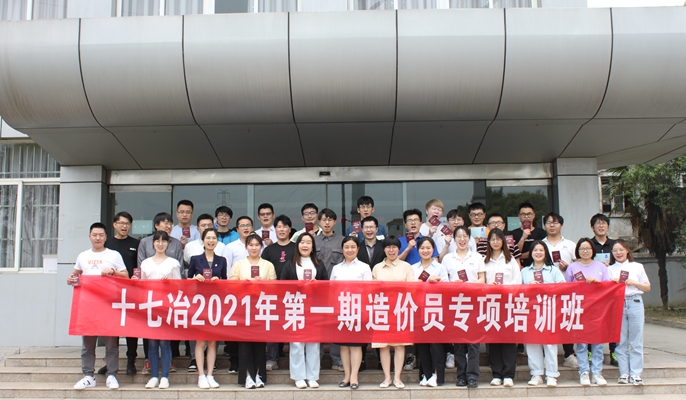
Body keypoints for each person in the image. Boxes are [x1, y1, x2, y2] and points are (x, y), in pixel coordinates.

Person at [67, 223, 128, 390]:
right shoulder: (83, 256)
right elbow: (75, 275)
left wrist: (113, 272)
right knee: (88, 343)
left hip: (108, 305)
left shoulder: (113, 255)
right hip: (88, 306)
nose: (98, 238)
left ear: (106, 237)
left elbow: (126, 276)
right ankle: (88, 375)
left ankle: (111, 375)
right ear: (89, 237)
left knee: (111, 343)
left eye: (101, 235)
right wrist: (70, 279)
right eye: (94, 235)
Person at [279, 233, 329, 389]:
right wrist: (296, 286)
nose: (305, 245)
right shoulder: (290, 264)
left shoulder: (319, 264)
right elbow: (281, 286)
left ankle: (312, 377)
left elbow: (327, 286)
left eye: (308, 242)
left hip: (314, 308)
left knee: (313, 343)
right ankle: (298, 377)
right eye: (302, 242)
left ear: (313, 246)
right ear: (297, 245)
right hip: (295, 307)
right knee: (297, 343)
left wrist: (317, 285)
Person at [229, 233, 277, 389]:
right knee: (244, 345)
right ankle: (247, 376)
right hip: (243, 309)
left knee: (259, 344)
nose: (254, 248)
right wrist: (246, 282)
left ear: (261, 247)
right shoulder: (239, 264)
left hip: (261, 307)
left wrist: (263, 283)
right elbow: (231, 284)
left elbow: (275, 285)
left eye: (257, 245)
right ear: (246, 247)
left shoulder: (268, 265)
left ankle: (258, 375)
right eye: (251, 245)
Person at [135, 230, 182, 390]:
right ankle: (154, 376)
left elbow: (179, 286)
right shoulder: (146, 263)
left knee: (165, 342)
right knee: (152, 343)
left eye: (164, 241)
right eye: (157, 241)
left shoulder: (173, 263)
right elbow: (141, 285)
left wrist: (170, 284)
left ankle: (165, 377)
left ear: (168, 244)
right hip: (150, 307)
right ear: (153, 243)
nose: (160, 244)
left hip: (166, 307)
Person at [564, 238, 612, 386]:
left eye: (588, 248)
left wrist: (598, 283)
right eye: (582, 249)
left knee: (597, 342)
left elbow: (608, 287)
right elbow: (566, 288)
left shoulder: (601, 266)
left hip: (597, 309)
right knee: (582, 342)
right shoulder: (572, 267)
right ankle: (584, 372)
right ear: (577, 251)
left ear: (593, 250)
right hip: (580, 308)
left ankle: (597, 372)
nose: (585, 251)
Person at [442, 226, 485, 388]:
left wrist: (468, 285)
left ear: (469, 238)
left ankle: (472, 376)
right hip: (455, 304)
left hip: (473, 303)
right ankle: (461, 375)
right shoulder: (448, 258)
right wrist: (453, 284)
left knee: (473, 342)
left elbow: (482, 279)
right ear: (454, 239)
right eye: (458, 236)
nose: (462, 239)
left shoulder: (477, 257)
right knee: (458, 342)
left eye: (465, 236)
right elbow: (444, 282)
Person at [371, 235, 414, 389]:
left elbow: (412, 289)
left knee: (400, 345)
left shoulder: (406, 267)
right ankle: (387, 378)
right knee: (383, 346)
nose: (391, 250)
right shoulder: (377, 268)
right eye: (388, 247)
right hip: (382, 310)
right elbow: (372, 290)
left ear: (399, 249)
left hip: (400, 310)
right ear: (384, 249)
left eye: (394, 247)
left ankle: (397, 378)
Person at [520, 241, 565, 387]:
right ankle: (536, 374)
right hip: (530, 312)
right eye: (535, 250)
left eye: (541, 250)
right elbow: (517, 291)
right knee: (532, 343)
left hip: (550, 311)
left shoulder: (553, 270)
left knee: (550, 344)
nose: (538, 253)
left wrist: (547, 287)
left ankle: (551, 375)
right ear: (531, 253)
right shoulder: (524, 271)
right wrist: (528, 287)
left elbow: (564, 289)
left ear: (545, 253)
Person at [330, 237, 372, 390]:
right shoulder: (336, 268)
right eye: (346, 247)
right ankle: (346, 376)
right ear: (342, 249)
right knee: (344, 346)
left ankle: (354, 376)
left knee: (355, 345)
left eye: (353, 247)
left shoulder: (364, 267)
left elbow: (369, 291)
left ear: (358, 249)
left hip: (358, 311)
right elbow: (331, 290)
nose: (350, 250)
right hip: (341, 311)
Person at [187, 228, 227, 389]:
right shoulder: (195, 259)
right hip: (199, 304)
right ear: (203, 240)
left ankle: (210, 374)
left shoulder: (222, 260)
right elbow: (187, 280)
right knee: (200, 341)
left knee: (212, 341)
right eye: (208, 238)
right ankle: (201, 375)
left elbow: (226, 281)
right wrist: (195, 278)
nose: (211, 241)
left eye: (214, 238)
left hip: (215, 304)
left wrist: (219, 280)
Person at [608, 239, 651, 386]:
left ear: (627, 250)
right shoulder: (610, 269)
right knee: (620, 341)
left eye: (621, 249)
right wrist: (612, 284)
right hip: (618, 303)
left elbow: (647, 287)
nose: (618, 253)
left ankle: (636, 374)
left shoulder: (637, 267)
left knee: (636, 340)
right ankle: (624, 373)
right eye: (615, 250)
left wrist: (635, 283)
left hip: (635, 301)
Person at [103, 212, 140, 376]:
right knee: (112, 328)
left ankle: (131, 361)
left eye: (127, 223)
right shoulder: (107, 243)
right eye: (121, 223)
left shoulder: (136, 243)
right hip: (111, 291)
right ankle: (110, 363)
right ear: (114, 225)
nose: (124, 226)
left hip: (131, 291)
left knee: (132, 327)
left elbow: (139, 266)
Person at [484, 228, 522, 388]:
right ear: (488, 242)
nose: (495, 242)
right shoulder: (484, 261)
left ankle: (508, 374)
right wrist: (489, 286)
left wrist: (504, 288)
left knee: (508, 340)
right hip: (490, 305)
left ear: (503, 241)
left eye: (498, 239)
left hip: (508, 305)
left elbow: (517, 281)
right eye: (492, 239)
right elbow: (480, 282)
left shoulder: (510, 260)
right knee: (494, 341)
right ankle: (497, 374)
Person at [542, 212, 578, 369]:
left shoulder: (570, 244)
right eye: (548, 222)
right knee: (547, 323)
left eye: (555, 222)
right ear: (544, 226)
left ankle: (569, 354)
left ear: (561, 225)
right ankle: (547, 356)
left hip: (566, 290)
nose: (552, 225)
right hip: (546, 291)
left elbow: (579, 265)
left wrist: (569, 267)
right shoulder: (541, 244)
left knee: (566, 322)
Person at [261, 214, 297, 371]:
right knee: (273, 327)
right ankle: (272, 359)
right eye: (279, 227)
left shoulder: (297, 248)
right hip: (273, 295)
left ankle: (295, 361)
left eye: (284, 226)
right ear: (275, 229)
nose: (281, 229)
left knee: (294, 326)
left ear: (290, 229)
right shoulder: (269, 250)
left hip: (294, 295)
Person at [411, 237, 448, 387]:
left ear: (433, 250)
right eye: (422, 248)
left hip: (435, 310)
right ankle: (426, 375)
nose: (425, 251)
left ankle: (437, 376)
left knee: (436, 345)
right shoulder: (413, 268)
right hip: (418, 310)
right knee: (422, 345)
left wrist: (436, 283)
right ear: (418, 250)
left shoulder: (440, 268)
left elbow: (447, 289)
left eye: (428, 248)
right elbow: (409, 289)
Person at [589, 213, 619, 366]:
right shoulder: (589, 245)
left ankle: (614, 352)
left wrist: (610, 266)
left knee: (612, 321)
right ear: (592, 227)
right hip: (593, 291)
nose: (601, 226)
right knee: (592, 321)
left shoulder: (615, 245)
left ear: (608, 226)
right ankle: (590, 351)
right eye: (597, 224)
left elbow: (622, 262)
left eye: (603, 223)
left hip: (611, 289)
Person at [314, 208, 344, 276]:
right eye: (324, 220)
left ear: (334, 222)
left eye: (330, 220)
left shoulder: (342, 241)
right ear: (319, 222)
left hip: (336, 279)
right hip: (316, 279)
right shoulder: (313, 241)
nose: (327, 222)